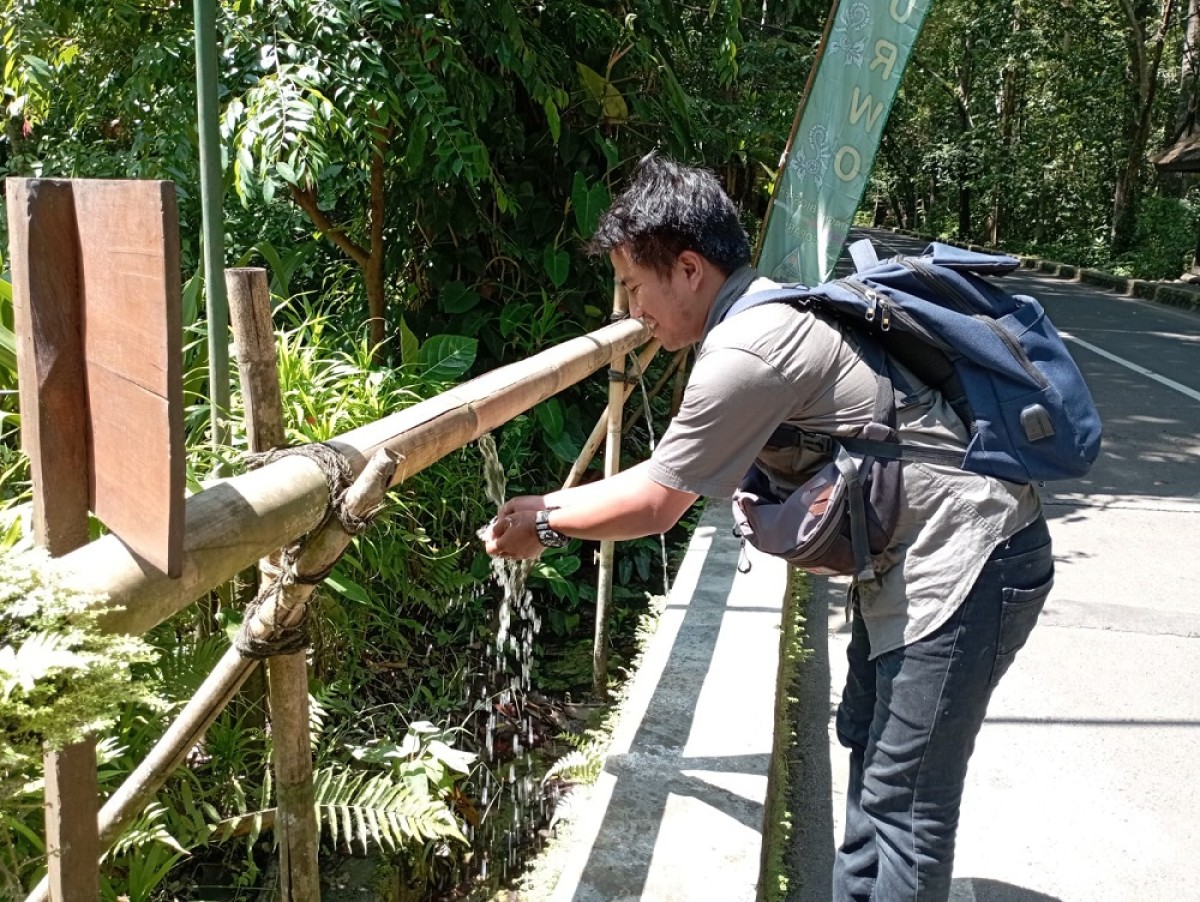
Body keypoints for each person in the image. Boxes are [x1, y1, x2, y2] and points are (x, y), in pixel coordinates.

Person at [482, 153, 1053, 901]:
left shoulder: (746, 350)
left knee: (905, 808)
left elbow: (659, 502)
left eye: (632, 285)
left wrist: (547, 522)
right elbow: (670, 471)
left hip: (968, 561)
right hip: (920, 561)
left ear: (688, 269)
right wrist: (548, 510)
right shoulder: (763, 312)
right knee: (870, 769)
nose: (629, 313)